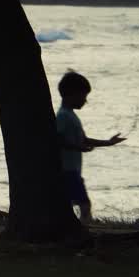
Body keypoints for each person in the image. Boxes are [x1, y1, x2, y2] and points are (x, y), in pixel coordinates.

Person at [55, 71, 126, 225]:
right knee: (84, 205)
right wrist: (78, 148)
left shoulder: (70, 115)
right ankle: (83, 230)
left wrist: (108, 142)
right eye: (83, 96)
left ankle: (76, 229)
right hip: (67, 170)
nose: (85, 100)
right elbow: (58, 140)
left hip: (73, 170)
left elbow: (84, 140)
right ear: (71, 94)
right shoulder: (63, 116)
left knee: (72, 205)